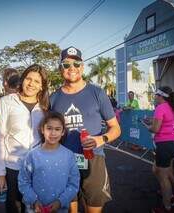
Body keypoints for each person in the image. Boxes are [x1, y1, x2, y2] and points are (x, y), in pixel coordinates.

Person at [50, 46, 121, 213]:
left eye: (76, 64)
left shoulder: (97, 92)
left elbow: (115, 128)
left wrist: (100, 139)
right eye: (66, 64)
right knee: (69, 208)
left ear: (82, 67)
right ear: (61, 68)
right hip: (64, 161)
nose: (72, 68)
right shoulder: (53, 98)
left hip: (93, 160)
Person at [0, 64, 49, 213]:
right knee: (15, 208)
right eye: (28, 79)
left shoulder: (46, 106)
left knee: (35, 208)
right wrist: (0, 173)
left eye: (37, 81)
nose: (31, 84)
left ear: (42, 86)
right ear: (22, 80)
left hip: (39, 168)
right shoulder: (7, 101)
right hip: (13, 168)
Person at [18, 111, 80, 212]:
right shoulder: (32, 155)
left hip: (60, 209)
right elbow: (23, 181)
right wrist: (34, 201)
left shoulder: (69, 156)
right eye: (49, 128)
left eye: (57, 129)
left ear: (63, 132)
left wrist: (60, 202)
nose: (53, 133)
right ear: (42, 129)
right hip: (35, 209)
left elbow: (73, 183)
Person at [144, 86, 174, 213]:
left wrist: (148, 126)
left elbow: (155, 129)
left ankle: (167, 206)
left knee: (163, 178)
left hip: (164, 146)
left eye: (156, 95)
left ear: (160, 96)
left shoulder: (160, 107)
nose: (154, 98)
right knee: (157, 169)